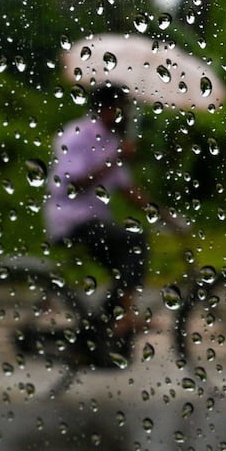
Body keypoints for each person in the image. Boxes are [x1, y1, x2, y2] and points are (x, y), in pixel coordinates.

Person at [43, 84, 151, 366]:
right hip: (70, 220)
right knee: (132, 242)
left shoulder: (110, 140)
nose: (125, 114)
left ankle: (104, 328)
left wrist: (164, 215)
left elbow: (128, 190)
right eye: (121, 108)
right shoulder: (78, 134)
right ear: (107, 108)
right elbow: (76, 182)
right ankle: (121, 318)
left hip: (94, 220)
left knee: (131, 254)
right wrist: (117, 159)